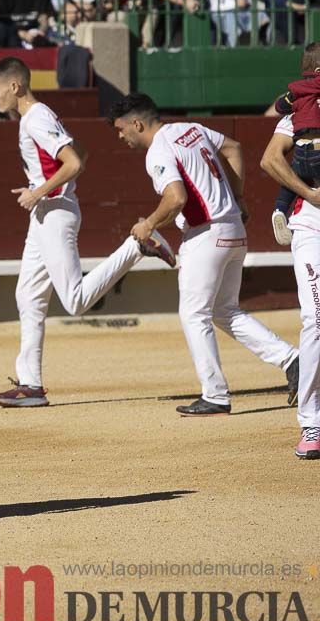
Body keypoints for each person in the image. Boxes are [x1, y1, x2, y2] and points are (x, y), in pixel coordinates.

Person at [0, 58, 175, 408]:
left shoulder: (36, 118)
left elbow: (73, 162)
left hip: (53, 212)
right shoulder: (37, 117)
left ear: (15, 86)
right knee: (28, 296)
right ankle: (30, 385)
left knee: (74, 300)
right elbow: (81, 153)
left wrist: (37, 191)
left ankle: (138, 245)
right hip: (45, 215)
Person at [109, 92, 299, 416]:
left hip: (205, 235)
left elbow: (175, 197)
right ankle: (294, 361)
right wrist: (238, 197)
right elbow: (234, 148)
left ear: (137, 123)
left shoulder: (158, 150)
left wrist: (149, 224)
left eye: (121, 129)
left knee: (194, 314)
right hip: (234, 231)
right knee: (225, 311)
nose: (120, 136)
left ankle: (215, 394)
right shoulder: (191, 128)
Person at [259, 96, 320, 457]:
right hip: (312, 224)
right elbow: (269, 158)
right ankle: (312, 421)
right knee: (316, 318)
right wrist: (310, 193)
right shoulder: (302, 110)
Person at [268, 44, 320, 247]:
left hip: (302, 148)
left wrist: (308, 194)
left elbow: (280, 106)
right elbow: (269, 159)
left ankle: (280, 209)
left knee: (294, 172)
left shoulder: (296, 92)